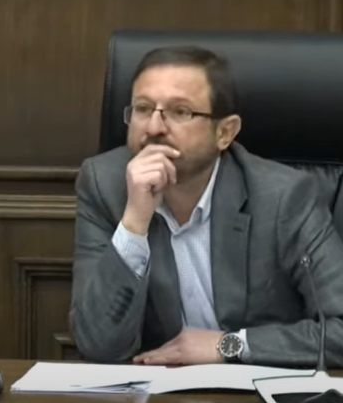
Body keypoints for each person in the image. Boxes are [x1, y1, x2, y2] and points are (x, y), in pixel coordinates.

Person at [70, 45, 343, 368]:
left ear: (225, 133)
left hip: (256, 385)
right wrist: (134, 223)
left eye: (180, 112)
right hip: (155, 385)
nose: (154, 127)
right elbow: (98, 344)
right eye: (143, 108)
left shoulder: (284, 197)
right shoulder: (104, 184)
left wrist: (229, 345)